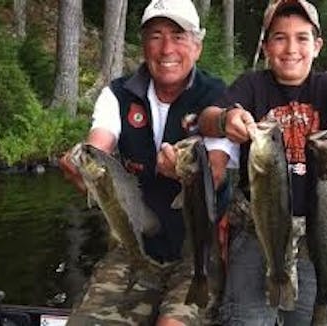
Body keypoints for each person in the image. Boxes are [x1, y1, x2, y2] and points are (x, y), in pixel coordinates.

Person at [59, 0, 237, 325]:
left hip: (197, 252)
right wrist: (81, 163)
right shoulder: (117, 95)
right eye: (156, 36)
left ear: (197, 45)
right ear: (143, 44)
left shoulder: (218, 97)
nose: (166, 48)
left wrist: (185, 173)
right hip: (134, 249)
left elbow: (217, 173)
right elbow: (98, 143)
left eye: (178, 35)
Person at [198, 0, 327, 325]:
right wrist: (225, 119)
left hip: (315, 233)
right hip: (256, 229)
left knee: (317, 313)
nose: (291, 48)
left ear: (317, 46)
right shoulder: (252, 85)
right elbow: (206, 119)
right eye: (279, 37)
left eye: (302, 38)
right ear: (265, 46)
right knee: (244, 318)